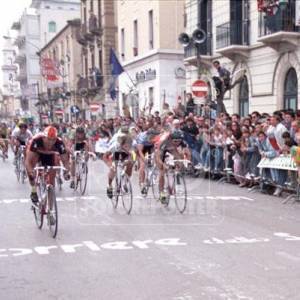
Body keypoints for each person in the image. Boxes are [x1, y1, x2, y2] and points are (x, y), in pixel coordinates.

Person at [25, 126, 70, 204]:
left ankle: (50, 210)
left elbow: (65, 161)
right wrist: (31, 172)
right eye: (48, 139)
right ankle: (33, 190)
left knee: (51, 182)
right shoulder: (36, 140)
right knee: (32, 168)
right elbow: (28, 161)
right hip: (36, 153)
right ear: (44, 137)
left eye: (53, 140)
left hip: (49, 154)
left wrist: (66, 172)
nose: (51, 142)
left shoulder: (59, 143)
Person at [155, 130, 191, 203]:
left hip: (172, 150)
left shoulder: (182, 142)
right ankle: (161, 193)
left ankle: (174, 175)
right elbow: (158, 158)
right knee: (162, 171)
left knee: (179, 156)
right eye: (175, 141)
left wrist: (187, 163)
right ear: (171, 139)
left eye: (179, 141)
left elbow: (188, 154)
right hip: (161, 150)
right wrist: (163, 164)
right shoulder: (164, 142)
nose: (177, 143)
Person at [104, 125, 134, 199]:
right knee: (113, 169)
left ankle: (124, 183)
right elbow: (105, 156)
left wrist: (130, 160)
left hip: (125, 155)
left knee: (130, 163)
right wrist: (110, 165)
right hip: (116, 155)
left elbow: (132, 154)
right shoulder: (115, 144)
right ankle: (109, 185)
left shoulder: (130, 141)